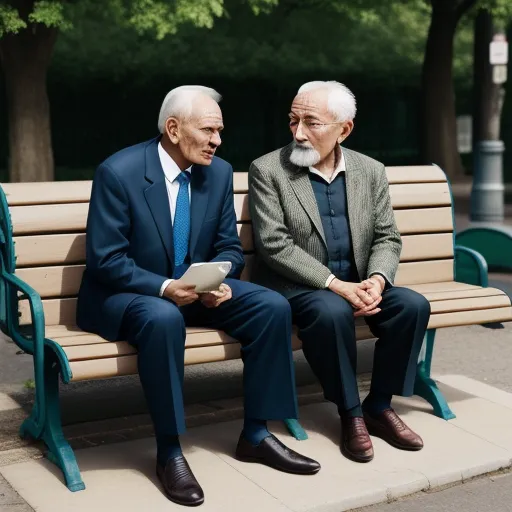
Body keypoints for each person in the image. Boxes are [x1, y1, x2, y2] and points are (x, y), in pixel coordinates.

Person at [77, 85, 320, 507]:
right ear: (173, 129)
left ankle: (258, 434)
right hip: (126, 294)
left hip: (193, 291)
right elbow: (106, 260)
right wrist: (168, 288)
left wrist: (215, 280)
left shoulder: (219, 173)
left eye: (219, 131)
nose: (217, 141)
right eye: (209, 130)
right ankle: (170, 451)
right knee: (163, 317)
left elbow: (228, 245)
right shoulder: (119, 172)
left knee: (270, 306)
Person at [248, 81, 431, 464]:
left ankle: (379, 405)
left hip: (360, 280)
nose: (298, 132)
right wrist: (336, 285)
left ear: (343, 129)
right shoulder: (268, 170)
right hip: (299, 287)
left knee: (412, 306)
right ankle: (351, 414)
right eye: (293, 120)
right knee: (330, 312)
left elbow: (387, 237)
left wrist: (378, 281)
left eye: (311, 123)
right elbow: (275, 245)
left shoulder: (369, 170)